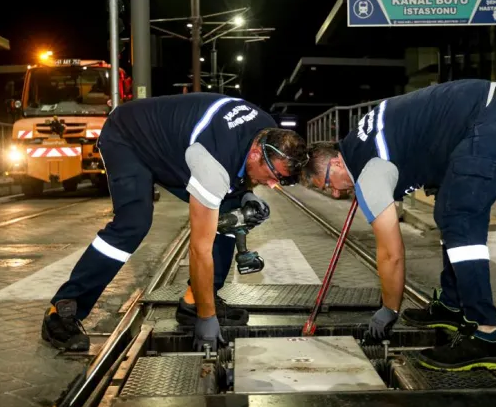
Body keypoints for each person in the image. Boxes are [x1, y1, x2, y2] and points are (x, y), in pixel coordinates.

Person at [42, 93, 307, 352]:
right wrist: (207, 319)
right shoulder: (213, 160)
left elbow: (238, 167)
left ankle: (194, 301)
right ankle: (64, 309)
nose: (272, 185)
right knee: (133, 223)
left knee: (229, 213)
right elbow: (199, 249)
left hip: (175, 149)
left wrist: (244, 192)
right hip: (128, 138)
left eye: (280, 180)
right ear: (256, 154)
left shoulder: (266, 130)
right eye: (273, 175)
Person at [302, 79, 496, 371]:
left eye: (326, 184)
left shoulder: (369, 171)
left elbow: (391, 253)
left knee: (459, 216)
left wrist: (389, 308)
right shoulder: (359, 144)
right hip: (491, 111)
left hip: (494, 115)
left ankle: (487, 335)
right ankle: (452, 306)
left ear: (336, 163)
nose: (334, 193)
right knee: (448, 210)